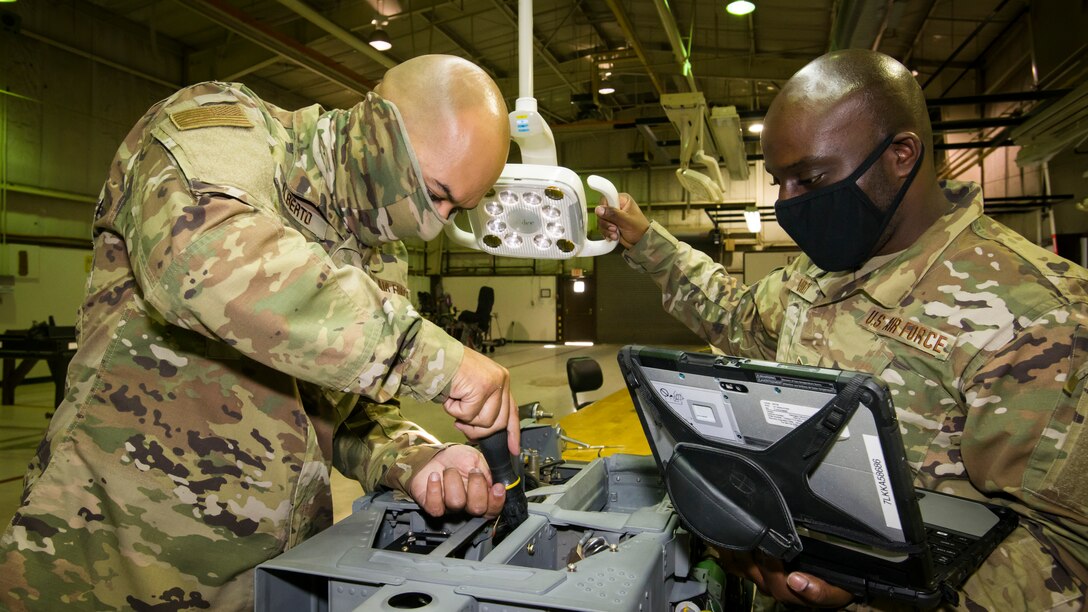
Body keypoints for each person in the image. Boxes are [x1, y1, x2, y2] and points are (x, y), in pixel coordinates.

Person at [0, 55, 520, 610]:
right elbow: (200, 262)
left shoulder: (378, 251)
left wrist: (415, 458)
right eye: (433, 192)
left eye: (454, 210)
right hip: (111, 565)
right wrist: (438, 360)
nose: (433, 223)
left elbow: (337, 409)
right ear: (380, 127)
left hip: (269, 574)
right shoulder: (228, 130)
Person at [597, 49, 1088, 610]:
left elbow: (1067, 557)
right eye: (779, 181)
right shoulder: (822, 269)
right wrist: (645, 242)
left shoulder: (1040, 315)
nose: (786, 203)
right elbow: (737, 316)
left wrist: (876, 593)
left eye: (809, 178)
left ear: (901, 154)